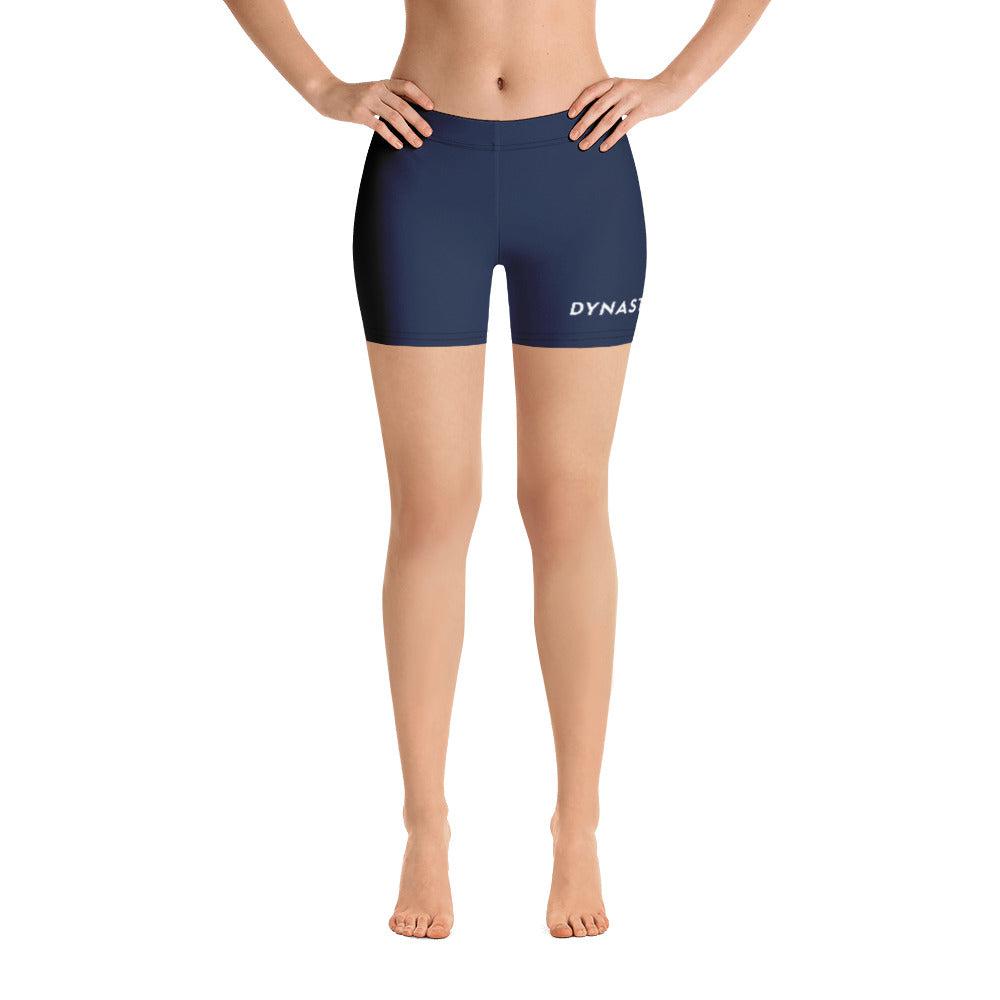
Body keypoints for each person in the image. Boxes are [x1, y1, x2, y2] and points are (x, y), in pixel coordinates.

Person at [223, 0, 770, 939]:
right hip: (424, 167)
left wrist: (677, 84)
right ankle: (425, 827)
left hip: (582, 169)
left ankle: (578, 827)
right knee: (433, 508)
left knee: (567, 502)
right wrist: (321, 86)